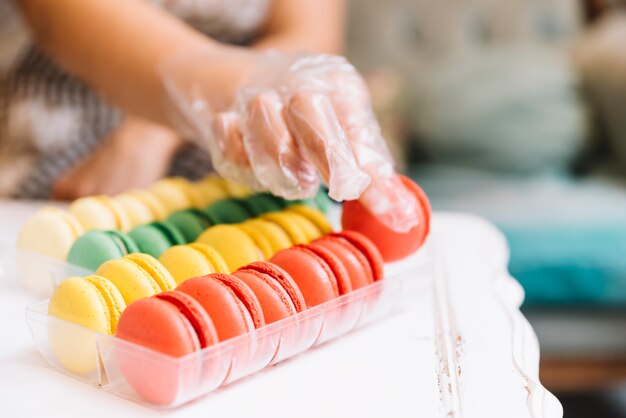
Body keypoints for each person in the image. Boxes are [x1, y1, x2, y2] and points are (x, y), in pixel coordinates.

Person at [1, 0, 417, 231]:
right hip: (67, 139)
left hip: (238, 131)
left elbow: (309, 33)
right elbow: (62, 15)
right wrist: (191, 97)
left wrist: (156, 129)